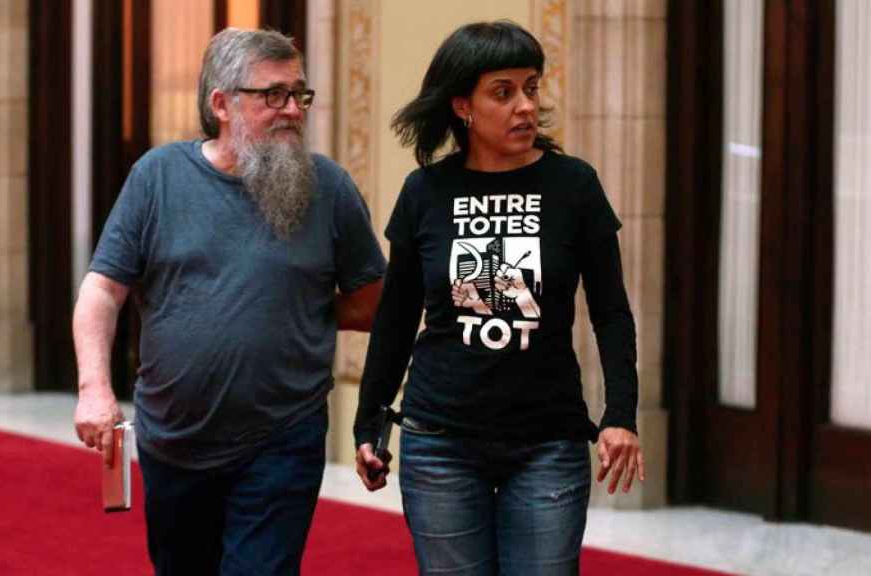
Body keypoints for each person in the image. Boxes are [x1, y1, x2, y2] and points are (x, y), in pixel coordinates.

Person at [73, 28, 386, 576]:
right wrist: (94, 388)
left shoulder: (328, 189)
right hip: (174, 440)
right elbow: (103, 289)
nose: (292, 109)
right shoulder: (157, 177)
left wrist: (296, 311)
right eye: (273, 95)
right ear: (221, 103)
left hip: (283, 435)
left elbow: (372, 300)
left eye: (299, 94)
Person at [353, 20, 645, 576]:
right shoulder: (425, 192)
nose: (525, 107)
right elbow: (395, 318)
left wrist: (621, 415)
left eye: (531, 87)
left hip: (548, 442)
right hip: (440, 441)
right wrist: (369, 422)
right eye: (503, 92)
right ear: (463, 105)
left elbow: (611, 313)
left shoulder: (574, 186)